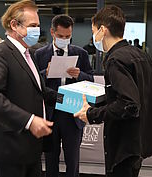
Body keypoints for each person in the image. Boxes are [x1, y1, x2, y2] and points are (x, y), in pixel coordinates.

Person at [74, 6, 152, 177]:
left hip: (123, 146)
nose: (94, 37)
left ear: (103, 30)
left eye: (94, 31)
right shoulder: (141, 55)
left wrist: (92, 114)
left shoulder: (115, 60)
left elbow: (129, 104)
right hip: (139, 143)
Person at [0, 1, 57, 177]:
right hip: (10, 148)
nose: (37, 30)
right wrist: (30, 120)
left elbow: (42, 92)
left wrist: (72, 99)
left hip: (31, 147)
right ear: (14, 25)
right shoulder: (0, 54)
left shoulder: (29, 55)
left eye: (38, 26)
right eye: (32, 26)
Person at [34, 14, 94, 177]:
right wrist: (44, 73)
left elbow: (91, 79)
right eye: (61, 36)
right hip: (50, 112)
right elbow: (33, 81)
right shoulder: (40, 54)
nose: (64, 39)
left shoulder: (80, 53)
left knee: (72, 160)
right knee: (50, 158)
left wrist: (79, 75)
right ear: (52, 32)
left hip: (72, 113)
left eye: (68, 36)